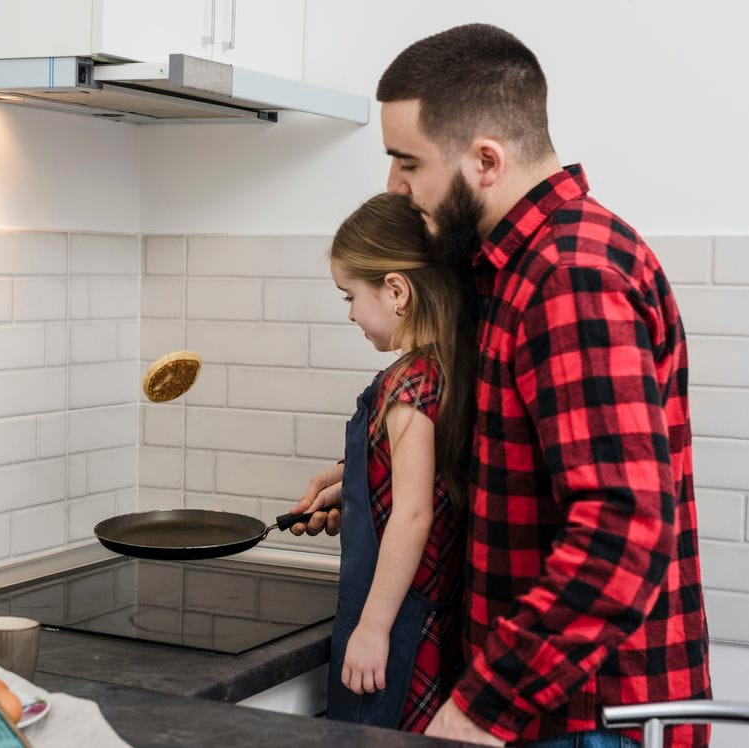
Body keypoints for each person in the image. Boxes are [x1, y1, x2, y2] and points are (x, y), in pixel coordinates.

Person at [293, 23, 712, 747]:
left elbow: (620, 530)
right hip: (555, 708)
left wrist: (483, 704)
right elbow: (525, 462)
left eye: (406, 162)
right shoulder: (511, 268)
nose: (394, 186)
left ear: (485, 159)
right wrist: (371, 479)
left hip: (585, 716)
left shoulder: (568, 276)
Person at [292, 192, 476, 732]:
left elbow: (413, 514)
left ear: (396, 290)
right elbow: (427, 483)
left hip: (395, 627)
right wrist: (353, 482)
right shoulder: (450, 366)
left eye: (350, 295)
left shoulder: (407, 385)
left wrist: (370, 629)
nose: (351, 313)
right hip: (435, 624)